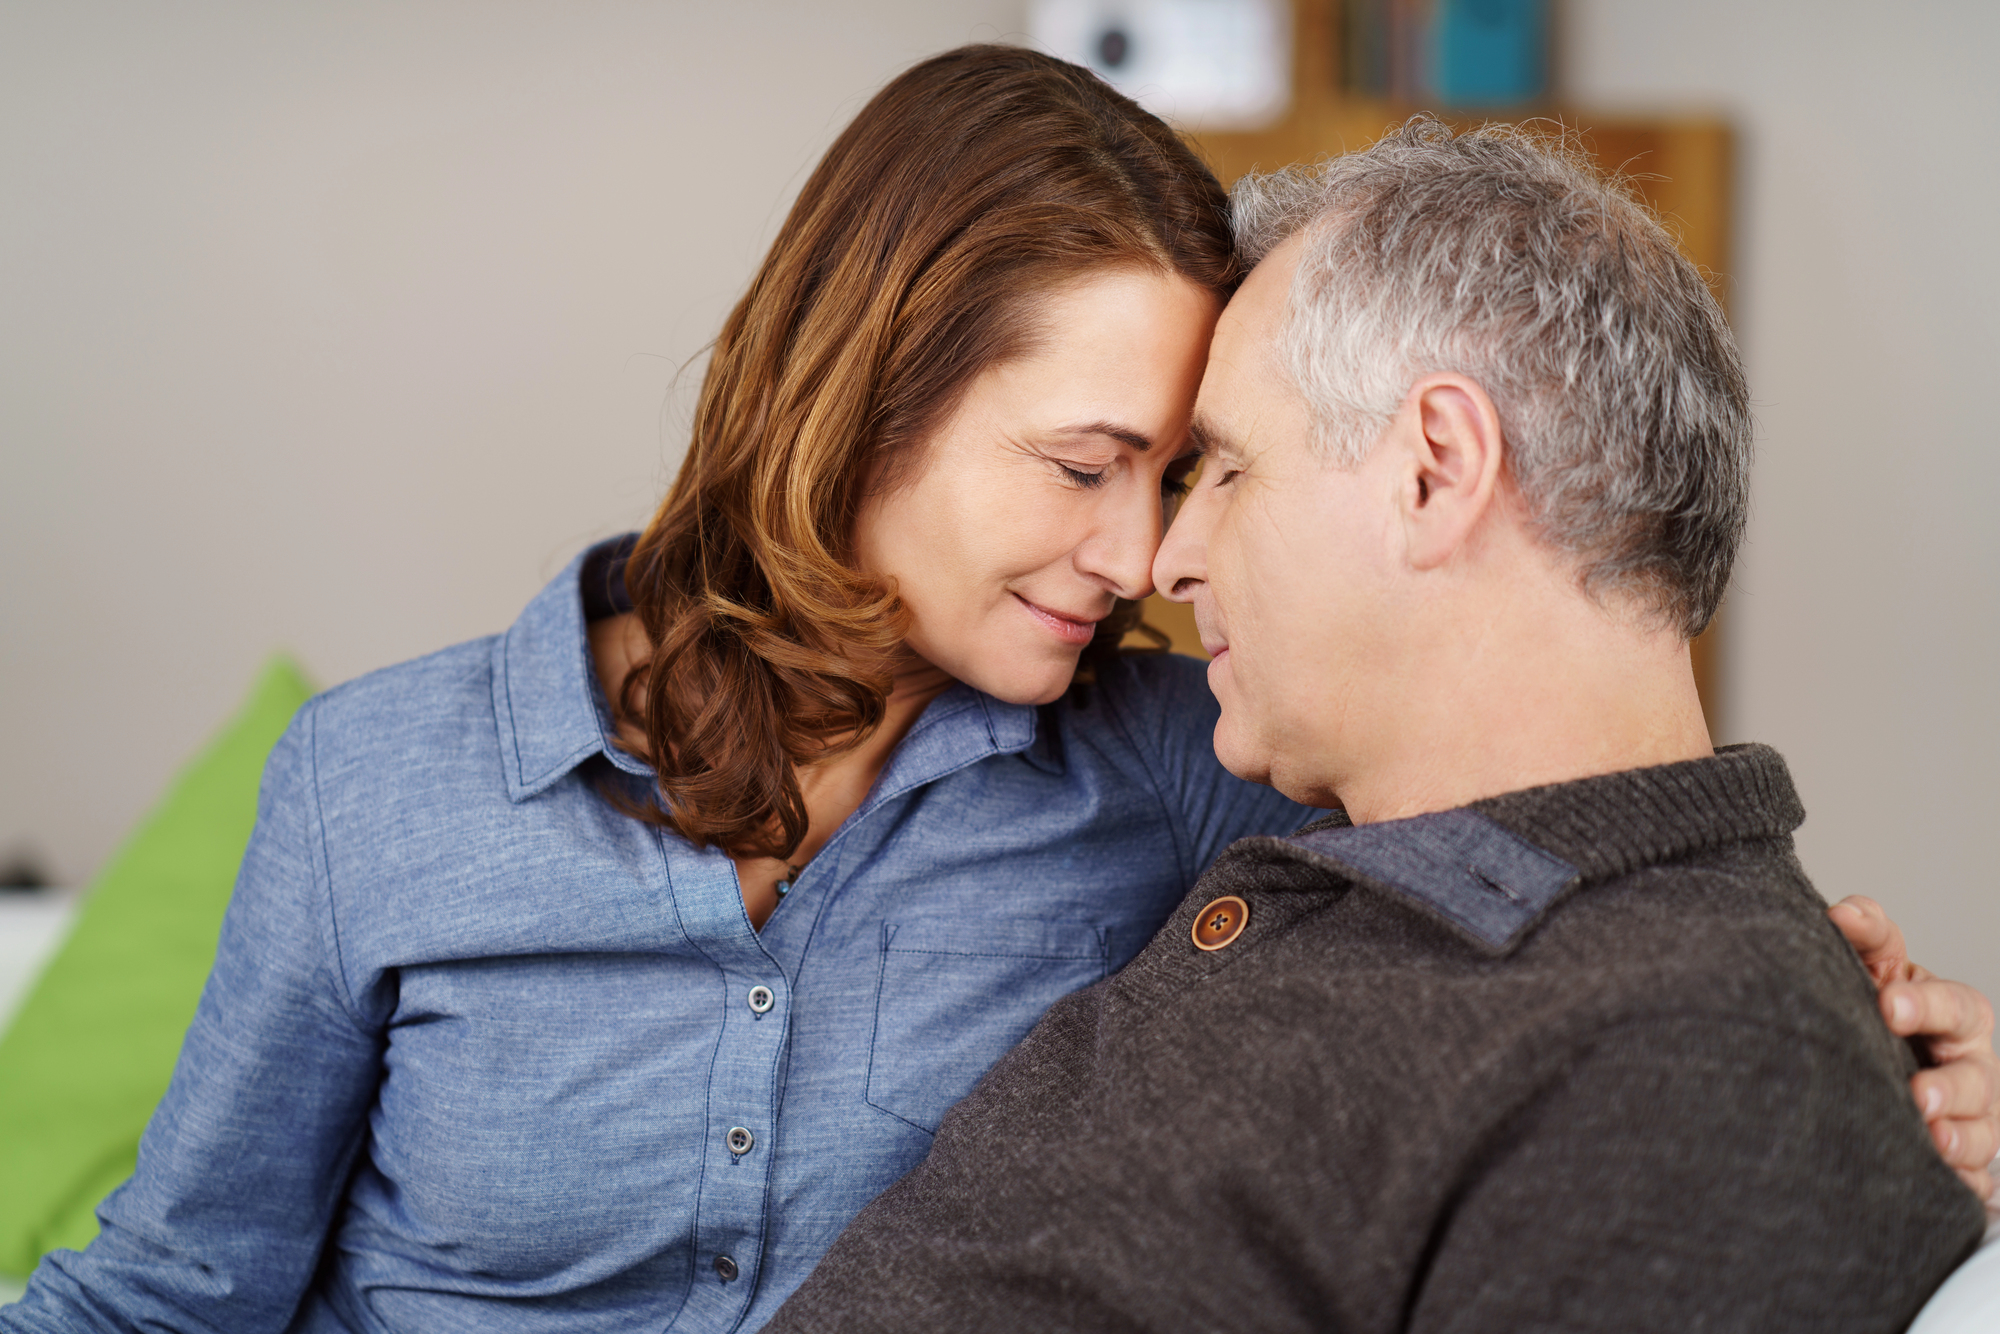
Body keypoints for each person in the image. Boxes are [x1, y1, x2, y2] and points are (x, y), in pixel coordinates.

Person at [0, 52, 1989, 1334]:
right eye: (1085, 464)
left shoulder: (1178, 776)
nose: (1140, 558)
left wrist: (1885, 1043)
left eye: (1193, 472)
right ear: (860, 397)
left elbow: (1553, 875)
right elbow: (178, 1286)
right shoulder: (378, 789)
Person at [764, 119, 1993, 1333]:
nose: (1164, 559)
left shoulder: (1705, 1063)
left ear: (1433, 467)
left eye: (1227, 470)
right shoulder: (1376, 871)